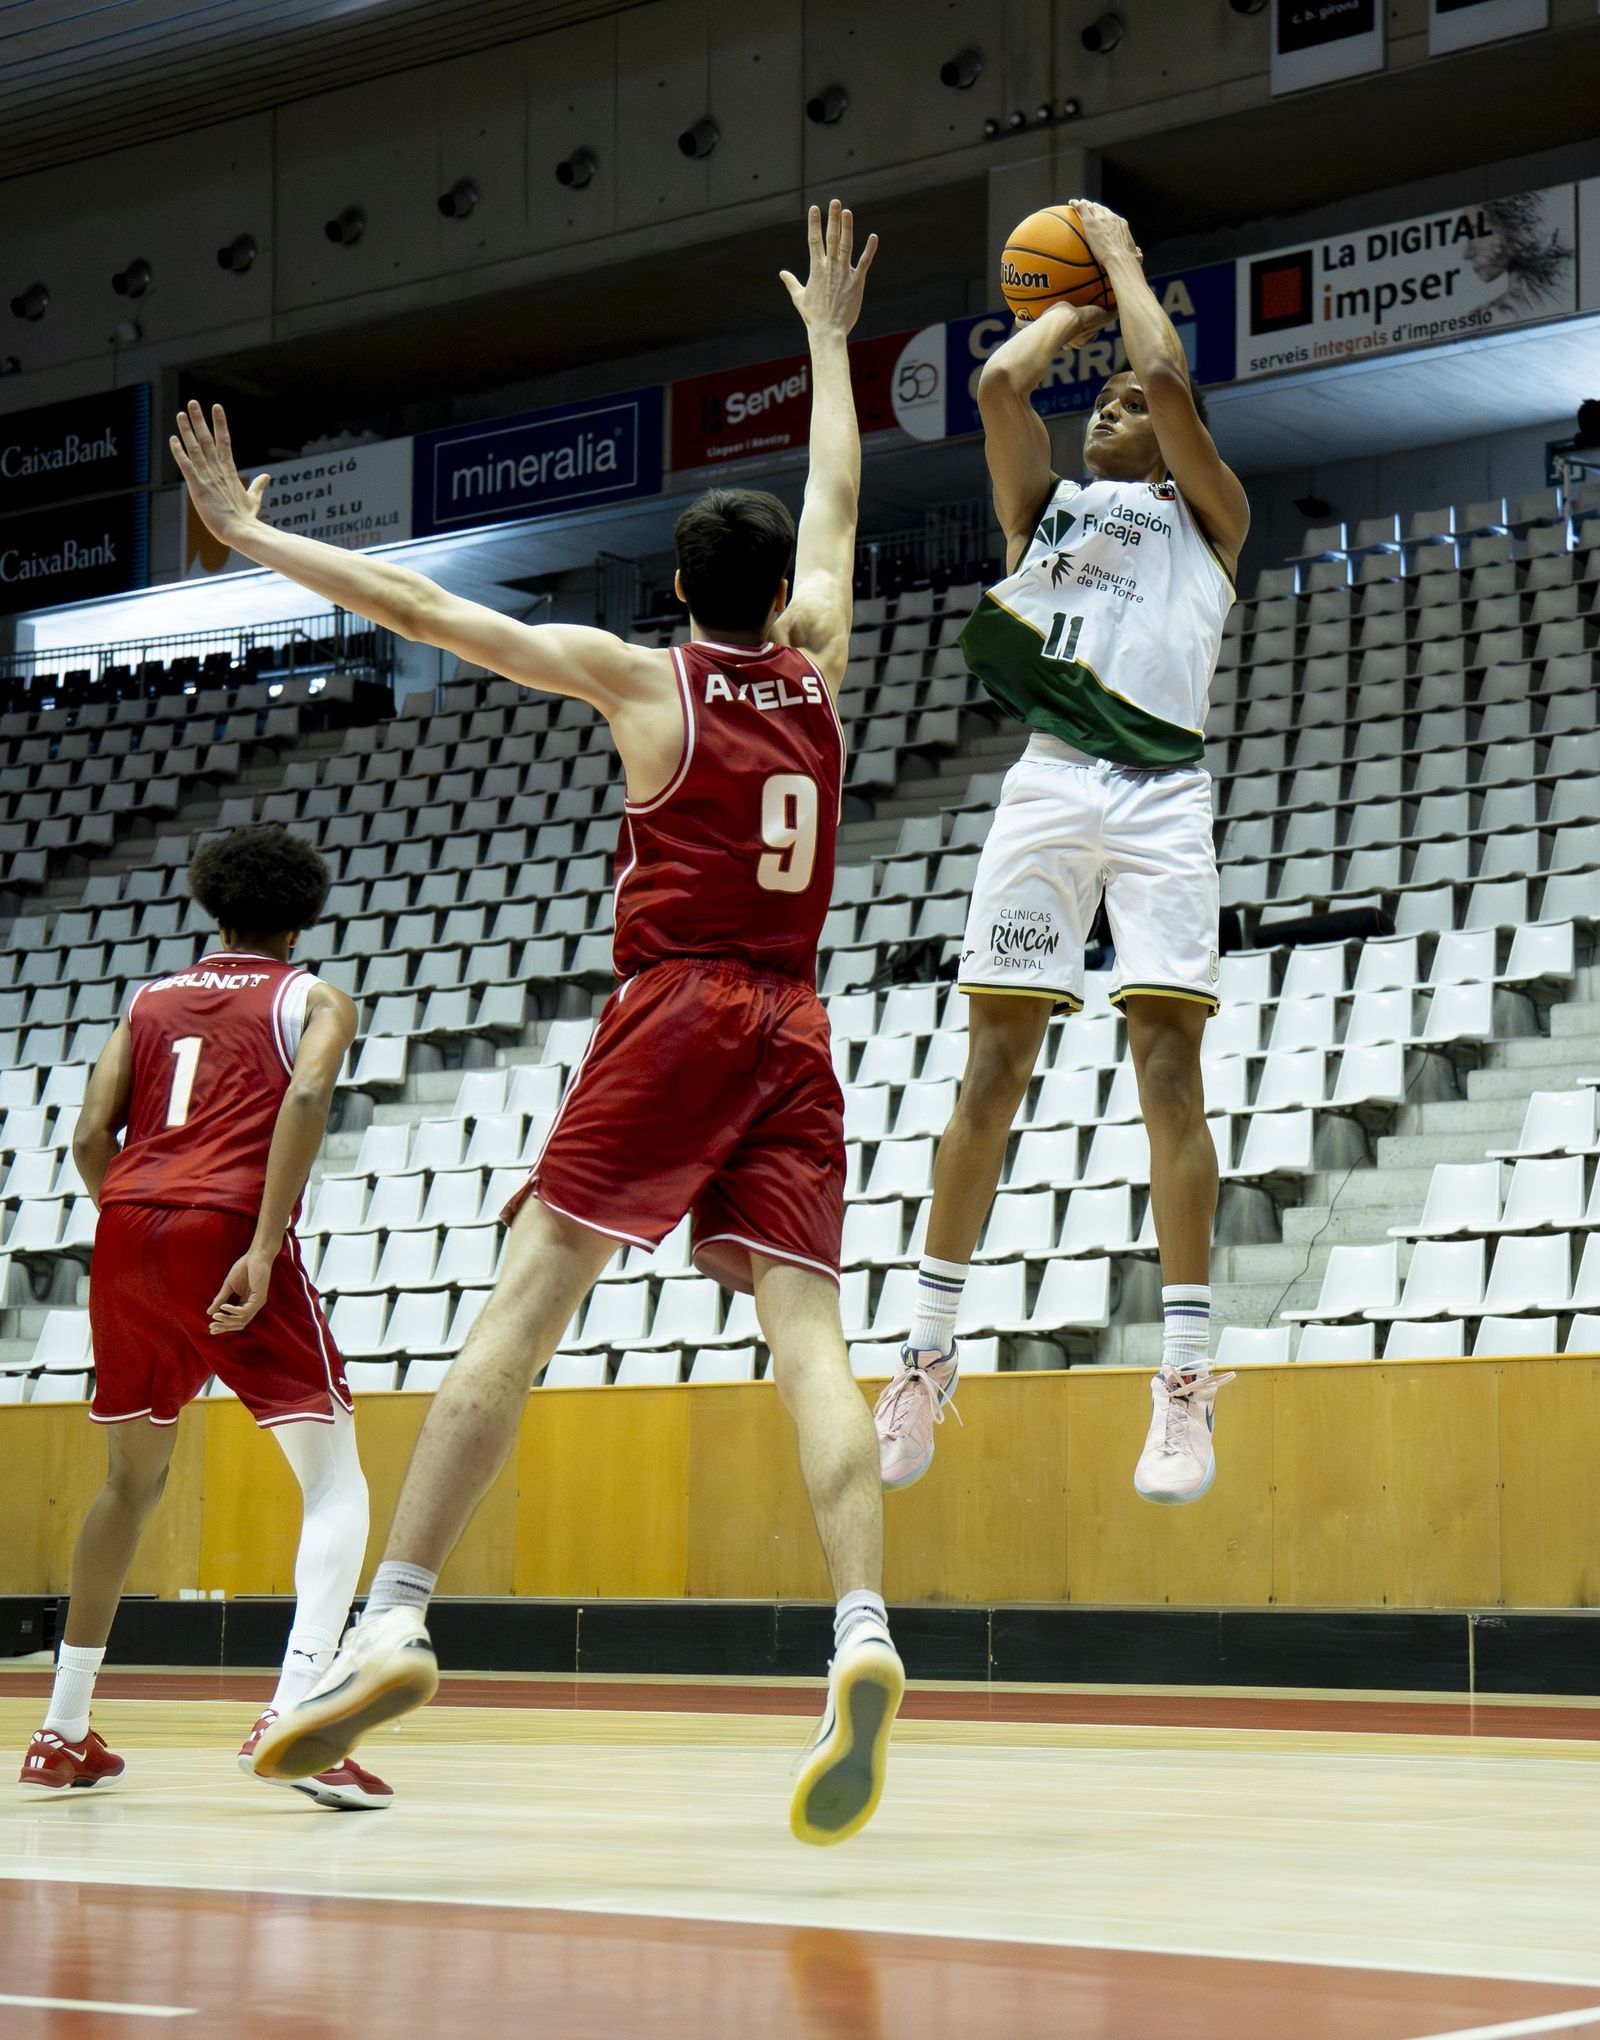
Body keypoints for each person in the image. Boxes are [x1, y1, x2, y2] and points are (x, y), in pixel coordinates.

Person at [170, 200, 902, 1848]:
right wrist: (831, 344)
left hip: (678, 1007)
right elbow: (843, 492)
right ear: (785, 591)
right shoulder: (827, 660)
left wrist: (250, 532)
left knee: (529, 1301)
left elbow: (428, 614)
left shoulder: (650, 684)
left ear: (676, 588)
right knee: (811, 1340)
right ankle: (862, 1634)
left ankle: (400, 1617)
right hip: (799, 1021)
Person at [874, 200, 1249, 1507]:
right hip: (1049, 785)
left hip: (1159, 796)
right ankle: (925, 1354)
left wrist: (1129, 264)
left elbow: (1161, 376)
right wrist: (1066, 310)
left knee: (1166, 1066)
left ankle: (1187, 1380)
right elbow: (992, 384)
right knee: (992, 1066)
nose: (1110, 410)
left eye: (1128, 416)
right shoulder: (1048, 511)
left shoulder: (1209, 517)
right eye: (1099, 408)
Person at [18, 826, 389, 1810]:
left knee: (127, 1483)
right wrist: (261, 1247)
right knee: (334, 1478)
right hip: (225, 1225)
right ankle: (298, 1710)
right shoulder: (312, 997)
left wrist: (139, 1222)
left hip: (127, 1230)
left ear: (211, 908)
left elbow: (92, 1134)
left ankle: (60, 1728)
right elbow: (307, 1089)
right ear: (303, 917)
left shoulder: (143, 1003)